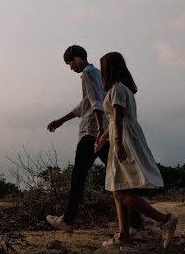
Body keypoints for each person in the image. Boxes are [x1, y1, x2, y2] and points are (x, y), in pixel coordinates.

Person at [45, 45, 142, 232]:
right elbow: (85, 104)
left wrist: (98, 129)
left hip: (92, 133)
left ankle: (68, 220)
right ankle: (136, 223)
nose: (70, 68)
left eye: (70, 63)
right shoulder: (98, 74)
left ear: (77, 59)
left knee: (78, 177)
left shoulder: (88, 74)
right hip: (105, 132)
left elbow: (96, 103)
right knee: (120, 176)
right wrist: (61, 120)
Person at [94, 51, 178, 250]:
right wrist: (103, 139)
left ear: (109, 69)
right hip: (122, 137)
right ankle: (123, 235)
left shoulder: (117, 89)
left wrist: (118, 142)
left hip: (125, 140)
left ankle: (164, 220)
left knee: (121, 192)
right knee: (119, 189)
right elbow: (115, 121)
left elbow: (119, 117)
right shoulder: (123, 89)